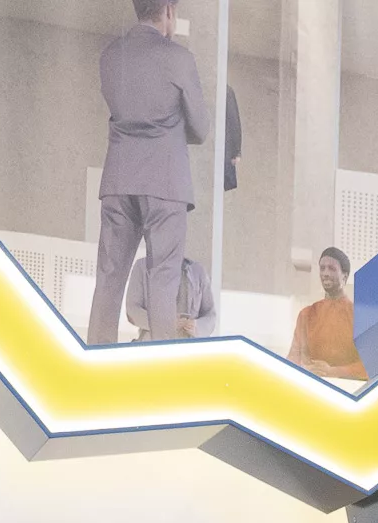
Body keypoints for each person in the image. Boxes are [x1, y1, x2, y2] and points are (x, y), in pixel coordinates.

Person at [90, 0, 209, 346]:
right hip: (165, 181)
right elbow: (200, 128)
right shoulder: (178, 58)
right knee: (163, 279)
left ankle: (95, 358)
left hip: (118, 179)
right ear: (169, 10)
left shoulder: (110, 56)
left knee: (109, 278)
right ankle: (158, 368)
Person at [289, 247, 368, 379]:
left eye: (332, 268)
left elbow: (370, 366)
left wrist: (333, 372)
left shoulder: (360, 315)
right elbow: (293, 359)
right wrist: (305, 369)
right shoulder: (306, 314)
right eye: (322, 268)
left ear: (345, 276)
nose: (325, 273)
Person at [125, 249, 218, 339]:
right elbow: (132, 310)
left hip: (189, 348)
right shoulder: (142, 267)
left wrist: (196, 326)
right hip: (154, 346)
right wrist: (163, 323)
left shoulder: (198, 271)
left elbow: (210, 314)